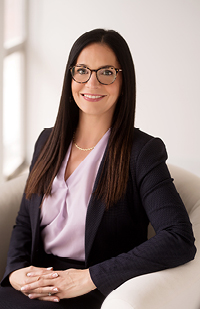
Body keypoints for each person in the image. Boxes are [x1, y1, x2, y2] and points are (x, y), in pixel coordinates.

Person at [0, 28, 196, 309]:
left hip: (91, 291)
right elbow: (24, 222)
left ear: (123, 80)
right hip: (36, 284)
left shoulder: (142, 152)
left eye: (106, 72)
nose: (91, 83)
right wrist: (17, 272)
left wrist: (88, 278)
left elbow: (178, 238)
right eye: (82, 71)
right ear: (71, 76)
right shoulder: (47, 140)